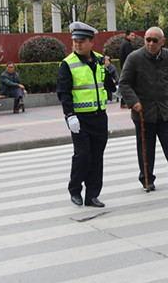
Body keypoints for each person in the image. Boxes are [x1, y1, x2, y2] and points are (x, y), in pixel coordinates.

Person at [119, 26, 168, 192]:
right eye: (147, 40)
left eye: (154, 40)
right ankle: (147, 180)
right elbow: (124, 83)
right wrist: (133, 102)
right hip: (143, 112)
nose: (150, 43)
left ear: (162, 42)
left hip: (165, 111)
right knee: (145, 149)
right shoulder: (134, 58)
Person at [57, 22, 117, 207]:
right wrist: (70, 116)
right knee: (82, 156)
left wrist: (109, 72)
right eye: (75, 41)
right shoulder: (68, 64)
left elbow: (109, 87)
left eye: (81, 41)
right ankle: (75, 190)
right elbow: (64, 92)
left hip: (99, 117)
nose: (77, 44)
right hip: (80, 119)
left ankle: (92, 195)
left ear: (91, 42)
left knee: (97, 157)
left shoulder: (100, 60)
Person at [119, 30, 136, 108]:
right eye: (132, 35)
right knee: (128, 84)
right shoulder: (127, 44)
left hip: (124, 67)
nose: (133, 37)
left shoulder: (124, 43)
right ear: (127, 36)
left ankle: (124, 102)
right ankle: (124, 102)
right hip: (127, 68)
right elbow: (130, 57)